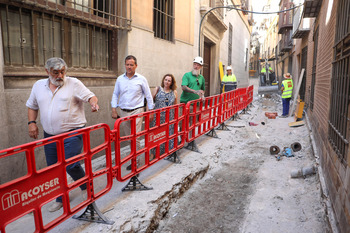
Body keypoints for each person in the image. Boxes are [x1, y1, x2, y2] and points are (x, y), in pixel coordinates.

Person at [26, 57, 99, 212]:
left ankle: (86, 187)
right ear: (47, 71)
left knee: (71, 163)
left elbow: (90, 96)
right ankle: (60, 198)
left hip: (73, 131)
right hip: (50, 135)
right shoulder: (38, 86)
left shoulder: (74, 83)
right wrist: (31, 123)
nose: (60, 75)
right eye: (56, 72)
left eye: (62, 71)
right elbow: (32, 106)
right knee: (54, 169)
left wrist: (93, 102)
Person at [111, 55, 154, 169]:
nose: (129, 67)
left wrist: (150, 111)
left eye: (131, 65)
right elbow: (115, 94)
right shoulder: (120, 79)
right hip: (124, 112)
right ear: (125, 65)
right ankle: (136, 158)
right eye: (127, 64)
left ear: (136, 66)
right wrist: (114, 109)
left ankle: (137, 163)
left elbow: (148, 96)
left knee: (136, 138)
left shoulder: (141, 79)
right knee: (129, 138)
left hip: (137, 110)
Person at [150, 74, 178, 158]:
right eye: (166, 80)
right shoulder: (158, 89)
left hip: (169, 117)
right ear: (163, 80)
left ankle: (166, 152)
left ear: (171, 82)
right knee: (156, 135)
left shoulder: (174, 92)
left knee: (167, 134)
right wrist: (150, 112)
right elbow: (150, 101)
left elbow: (176, 105)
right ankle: (153, 153)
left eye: (169, 80)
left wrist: (176, 117)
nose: (167, 82)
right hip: (157, 117)